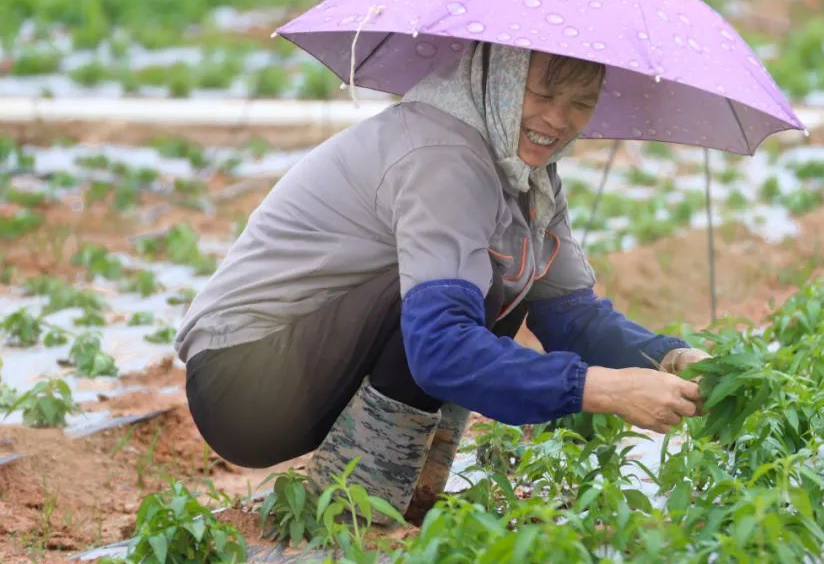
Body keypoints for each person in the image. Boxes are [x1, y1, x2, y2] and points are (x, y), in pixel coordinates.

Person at [175, 42, 709, 524]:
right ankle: (353, 516)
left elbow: (569, 313)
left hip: (302, 367)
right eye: (542, 93)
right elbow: (439, 350)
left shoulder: (525, 173)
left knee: (502, 283)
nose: (558, 119)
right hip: (244, 383)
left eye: (581, 102)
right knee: (455, 304)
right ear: (499, 81)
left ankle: (411, 495)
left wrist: (667, 358)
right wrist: (606, 390)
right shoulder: (443, 155)